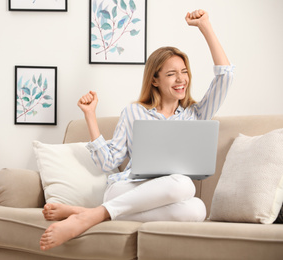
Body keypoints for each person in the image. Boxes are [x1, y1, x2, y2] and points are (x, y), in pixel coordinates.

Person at [40, 9, 234, 251]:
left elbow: (225, 77)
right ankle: (92, 215)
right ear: (155, 80)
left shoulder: (195, 114)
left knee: (197, 208)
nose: (181, 79)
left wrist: (205, 26)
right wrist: (90, 117)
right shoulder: (134, 112)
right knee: (184, 184)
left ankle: (89, 214)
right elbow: (108, 161)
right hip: (125, 189)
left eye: (184, 72)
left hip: (159, 197)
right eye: (172, 74)